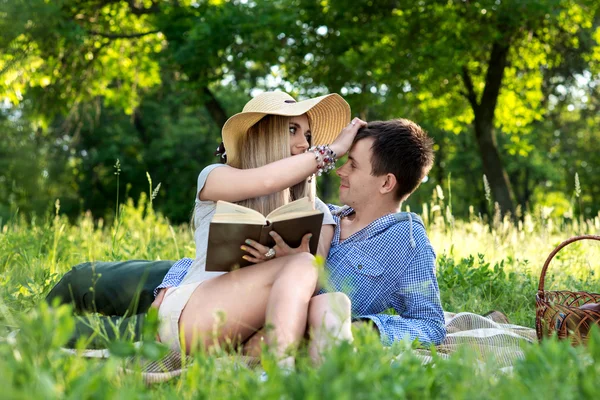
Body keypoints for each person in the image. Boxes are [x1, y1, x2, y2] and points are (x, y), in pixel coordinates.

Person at [47, 91, 363, 368]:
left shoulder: (318, 211)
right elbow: (266, 180)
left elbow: (313, 276)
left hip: (253, 325)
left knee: (326, 293)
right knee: (65, 312)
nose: (302, 144)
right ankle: (279, 374)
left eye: (308, 136)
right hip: (194, 310)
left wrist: (283, 258)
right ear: (262, 135)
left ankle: (316, 379)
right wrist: (330, 151)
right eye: (292, 130)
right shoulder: (217, 176)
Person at [154, 118, 446, 347]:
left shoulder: (408, 242)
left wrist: (363, 327)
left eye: (353, 165)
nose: (340, 171)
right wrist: (170, 284)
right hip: (214, 303)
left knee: (326, 297)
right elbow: (198, 259)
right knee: (126, 283)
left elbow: (430, 324)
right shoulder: (315, 212)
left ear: (386, 184)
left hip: (256, 327)